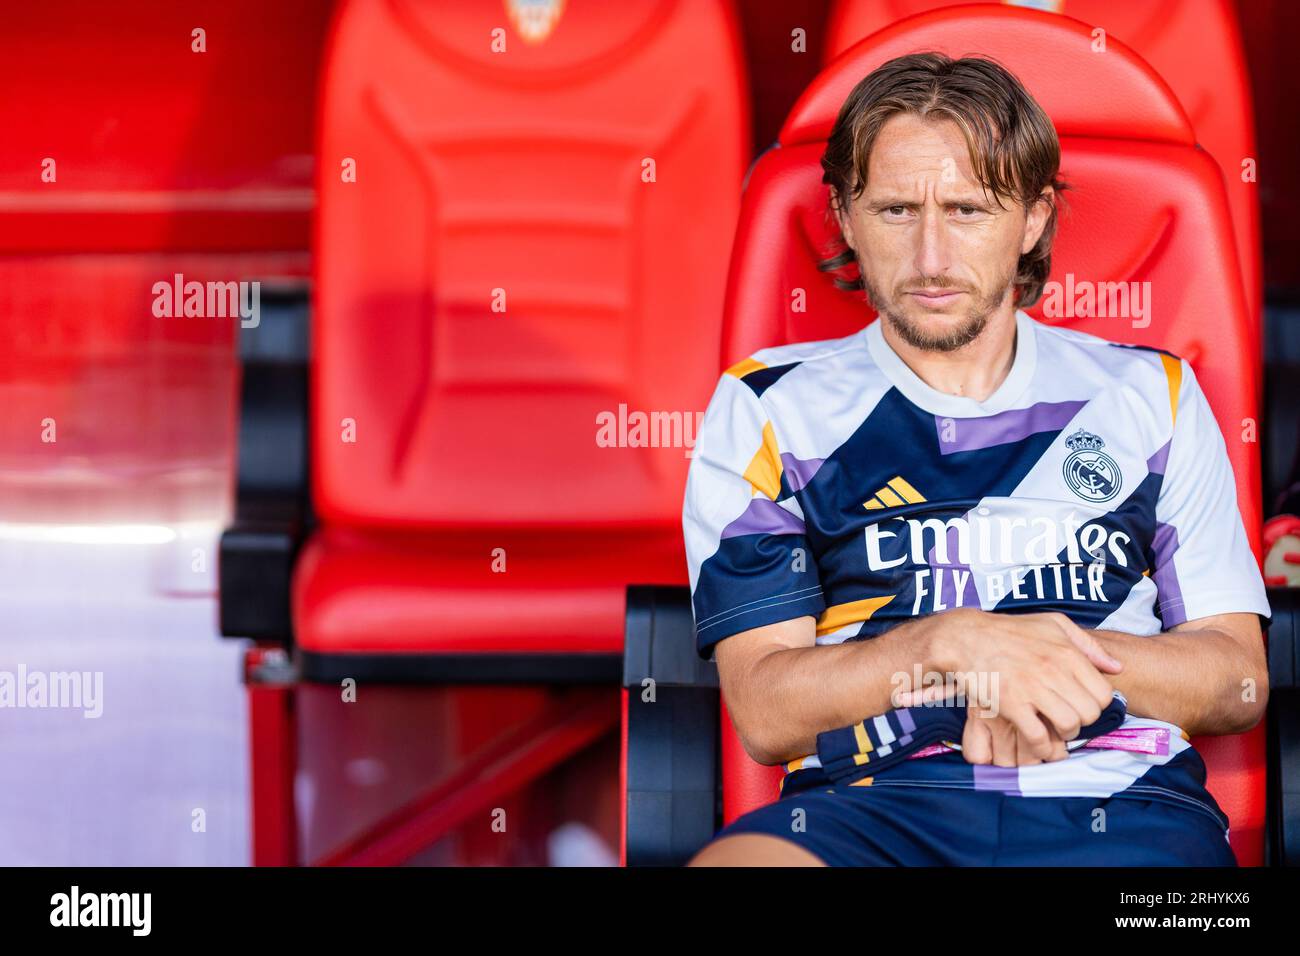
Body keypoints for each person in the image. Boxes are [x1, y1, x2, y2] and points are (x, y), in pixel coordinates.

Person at [682, 52, 1270, 866]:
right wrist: (949, 647)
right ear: (844, 217)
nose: (930, 257)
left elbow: (1238, 680)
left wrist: (1030, 658)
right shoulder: (766, 407)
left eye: (966, 210)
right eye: (894, 210)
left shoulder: (1150, 393)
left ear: (1032, 219)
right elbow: (764, 709)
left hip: (1120, 808)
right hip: (870, 812)